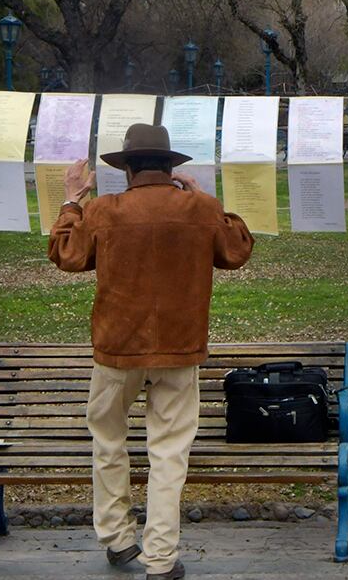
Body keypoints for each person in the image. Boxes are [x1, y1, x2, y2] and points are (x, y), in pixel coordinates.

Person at [48, 123, 254, 580]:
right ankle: (160, 558)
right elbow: (238, 249)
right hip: (180, 350)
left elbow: (65, 255)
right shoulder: (199, 209)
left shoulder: (104, 211)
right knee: (168, 453)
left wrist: (71, 200)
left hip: (117, 349)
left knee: (108, 442)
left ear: (128, 169)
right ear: (170, 167)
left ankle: (118, 539)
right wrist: (207, 199)